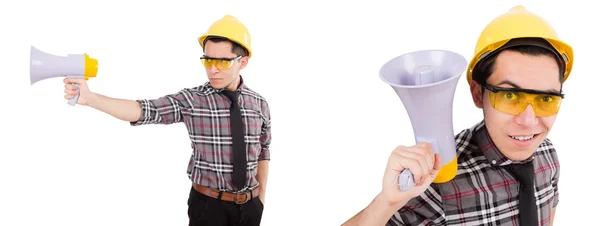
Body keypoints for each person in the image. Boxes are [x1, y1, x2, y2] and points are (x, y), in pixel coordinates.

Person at [342, 5, 572, 226]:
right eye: (510, 96)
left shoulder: (547, 154)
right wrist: (387, 202)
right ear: (477, 93)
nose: (529, 121)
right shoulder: (436, 184)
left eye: (546, 99)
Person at [63, 15, 271, 226]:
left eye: (223, 61)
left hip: (250, 208)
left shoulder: (259, 104)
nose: (213, 69)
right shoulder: (193, 100)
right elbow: (143, 110)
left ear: (243, 62)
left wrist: (260, 199)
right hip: (209, 209)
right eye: (207, 60)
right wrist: (90, 98)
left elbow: (263, 150)